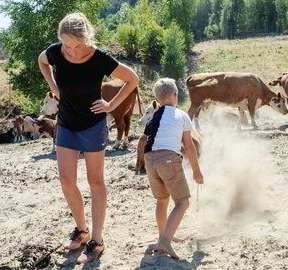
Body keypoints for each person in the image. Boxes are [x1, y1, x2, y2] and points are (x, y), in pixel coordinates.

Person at [38, 12, 139, 261]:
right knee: (66, 180)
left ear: (86, 38)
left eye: (76, 45)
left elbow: (132, 80)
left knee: (96, 183)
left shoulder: (99, 58)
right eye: (66, 45)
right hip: (67, 125)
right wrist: (52, 84)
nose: (71, 51)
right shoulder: (54, 52)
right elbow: (41, 61)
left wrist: (111, 104)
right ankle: (81, 231)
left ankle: (97, 240)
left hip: (93, 126)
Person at [143, 78, 204, 259]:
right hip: (167, 159)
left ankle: (164, 235)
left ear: (157, 98)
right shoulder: (182, 115)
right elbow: (190, 146)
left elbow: (146, 139)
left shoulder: (153, 115)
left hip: (149, 159)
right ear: (176, 95)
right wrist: (197, 171)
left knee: (162, 200)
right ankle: (164, 242)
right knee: (183, 202)